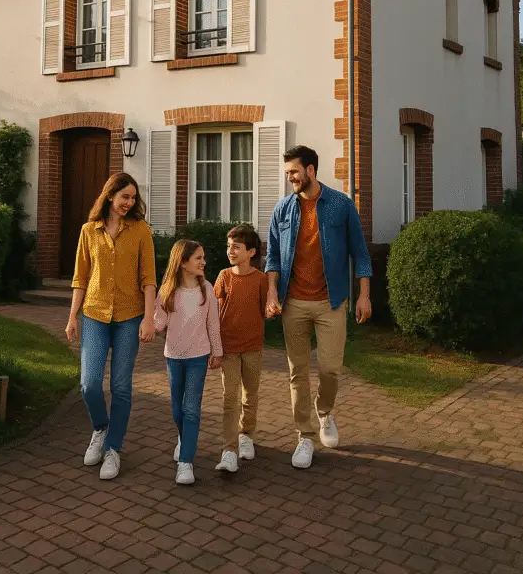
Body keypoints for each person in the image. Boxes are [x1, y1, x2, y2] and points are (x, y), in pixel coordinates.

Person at [265, 145, 372, 469]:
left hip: (331, 303)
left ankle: (325, 412)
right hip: (293, 303)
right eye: (288, 174)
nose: (291, 179)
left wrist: (364, 295)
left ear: (311, 170)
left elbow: (361, 254)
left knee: (329, 369)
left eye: (294, 172)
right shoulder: (282, 210)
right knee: (297, 373)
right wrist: (271, 293)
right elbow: (272, 256)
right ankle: (305, 436)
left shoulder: (341, 205)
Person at [65, 172, 156, 481]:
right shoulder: (89, 231)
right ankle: (101, 429)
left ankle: (114, 449)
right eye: (124, 197)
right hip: (94, 314)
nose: (129, 203)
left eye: (133, 198)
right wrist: (72, 316)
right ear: (109, 197)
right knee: (89, 384)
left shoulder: (141, 230)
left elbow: (149, 278)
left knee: (120, 387)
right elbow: (80, 278)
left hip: (130, 317)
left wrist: (149, 317)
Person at [154, 239, 223, 485]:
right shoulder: (167, 291)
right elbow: (159, 323)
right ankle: (184, 439)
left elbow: (213, 324)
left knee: (191, 408)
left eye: (203, 257)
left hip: (198, 356)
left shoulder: (207, 289)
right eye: (198, 258)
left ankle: (186, 462)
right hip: (173, 356)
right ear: (183, 263)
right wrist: (148, 326)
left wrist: (218, 351)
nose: (204, 262)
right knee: (176, 408)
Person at [213, 224, 269, 473]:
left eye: (236, 247)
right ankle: (229, 449)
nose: (230, 251)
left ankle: (246, 435)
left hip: (253, 347)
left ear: (251, 252)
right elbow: (214, 311)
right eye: (229, 246)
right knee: (229, 398)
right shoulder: (224, 276)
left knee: (250, 395)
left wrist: (271, 310)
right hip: (228, 347)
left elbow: (265, 311)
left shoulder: (261, 279)